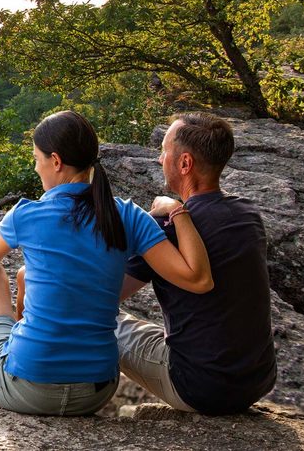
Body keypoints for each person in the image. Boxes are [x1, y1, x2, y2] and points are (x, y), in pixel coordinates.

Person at [0, 110, 213, 418]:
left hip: (26, 390)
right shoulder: (128, 215)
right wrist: (177, 211)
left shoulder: (27, 213)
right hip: (95, 392)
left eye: (36, 158)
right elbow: (197, 278)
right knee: (25, 275)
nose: (36, 166)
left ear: (55, 161)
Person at [117, 113, 277, 414]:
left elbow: (106, 297)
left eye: (164, 151)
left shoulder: (164, 226)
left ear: (185, 164)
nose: (158, 158)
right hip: (257, 379)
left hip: (198, 386)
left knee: (95, 318)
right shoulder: (248, 214)